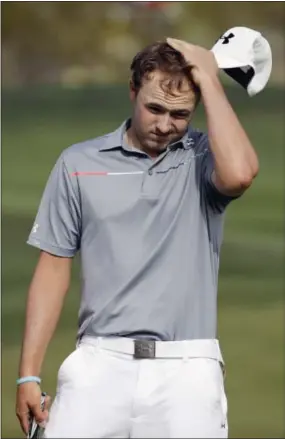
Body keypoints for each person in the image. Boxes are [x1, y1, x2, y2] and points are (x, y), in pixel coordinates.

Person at [16, 37, 259, 438]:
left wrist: (208, 78)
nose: (165, 125)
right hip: (97, 363)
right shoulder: (78, 163)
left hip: (187, 372)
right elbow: (53, 268)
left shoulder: (203, 156)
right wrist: (28, 375)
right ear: (132, 91)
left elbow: (240, 174)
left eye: (181, 114)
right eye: (155, 108)